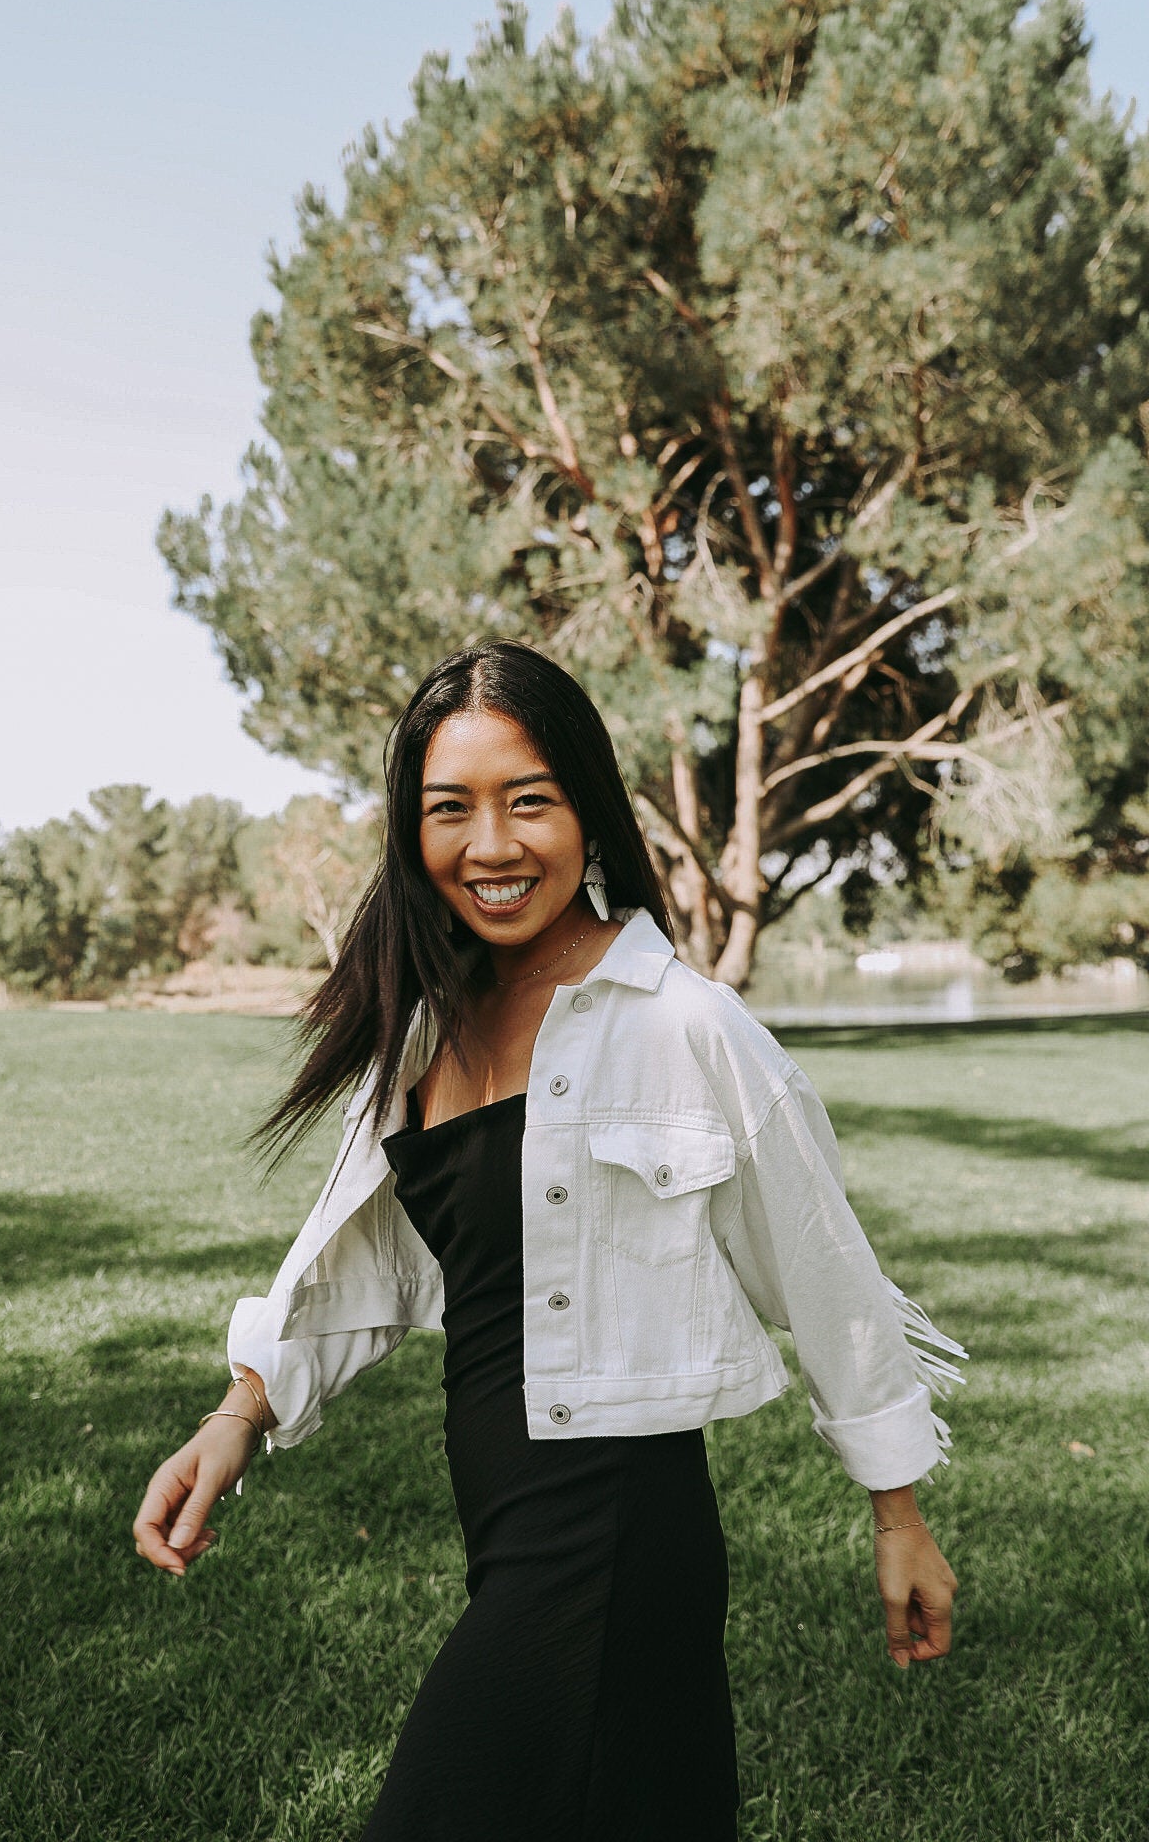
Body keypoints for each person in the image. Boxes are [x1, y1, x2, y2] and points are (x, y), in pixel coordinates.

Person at [134, 639, 965, 1840]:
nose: (491, 845)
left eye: (529, 800)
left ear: (586, 808)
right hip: (508, 1526)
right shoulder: (424, 1026)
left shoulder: (685, 1024)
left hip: (613, 1535)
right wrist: (237, 1415)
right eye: (448, 811)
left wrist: (897, 1514)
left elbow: (823, 1265)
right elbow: (353, 1249)